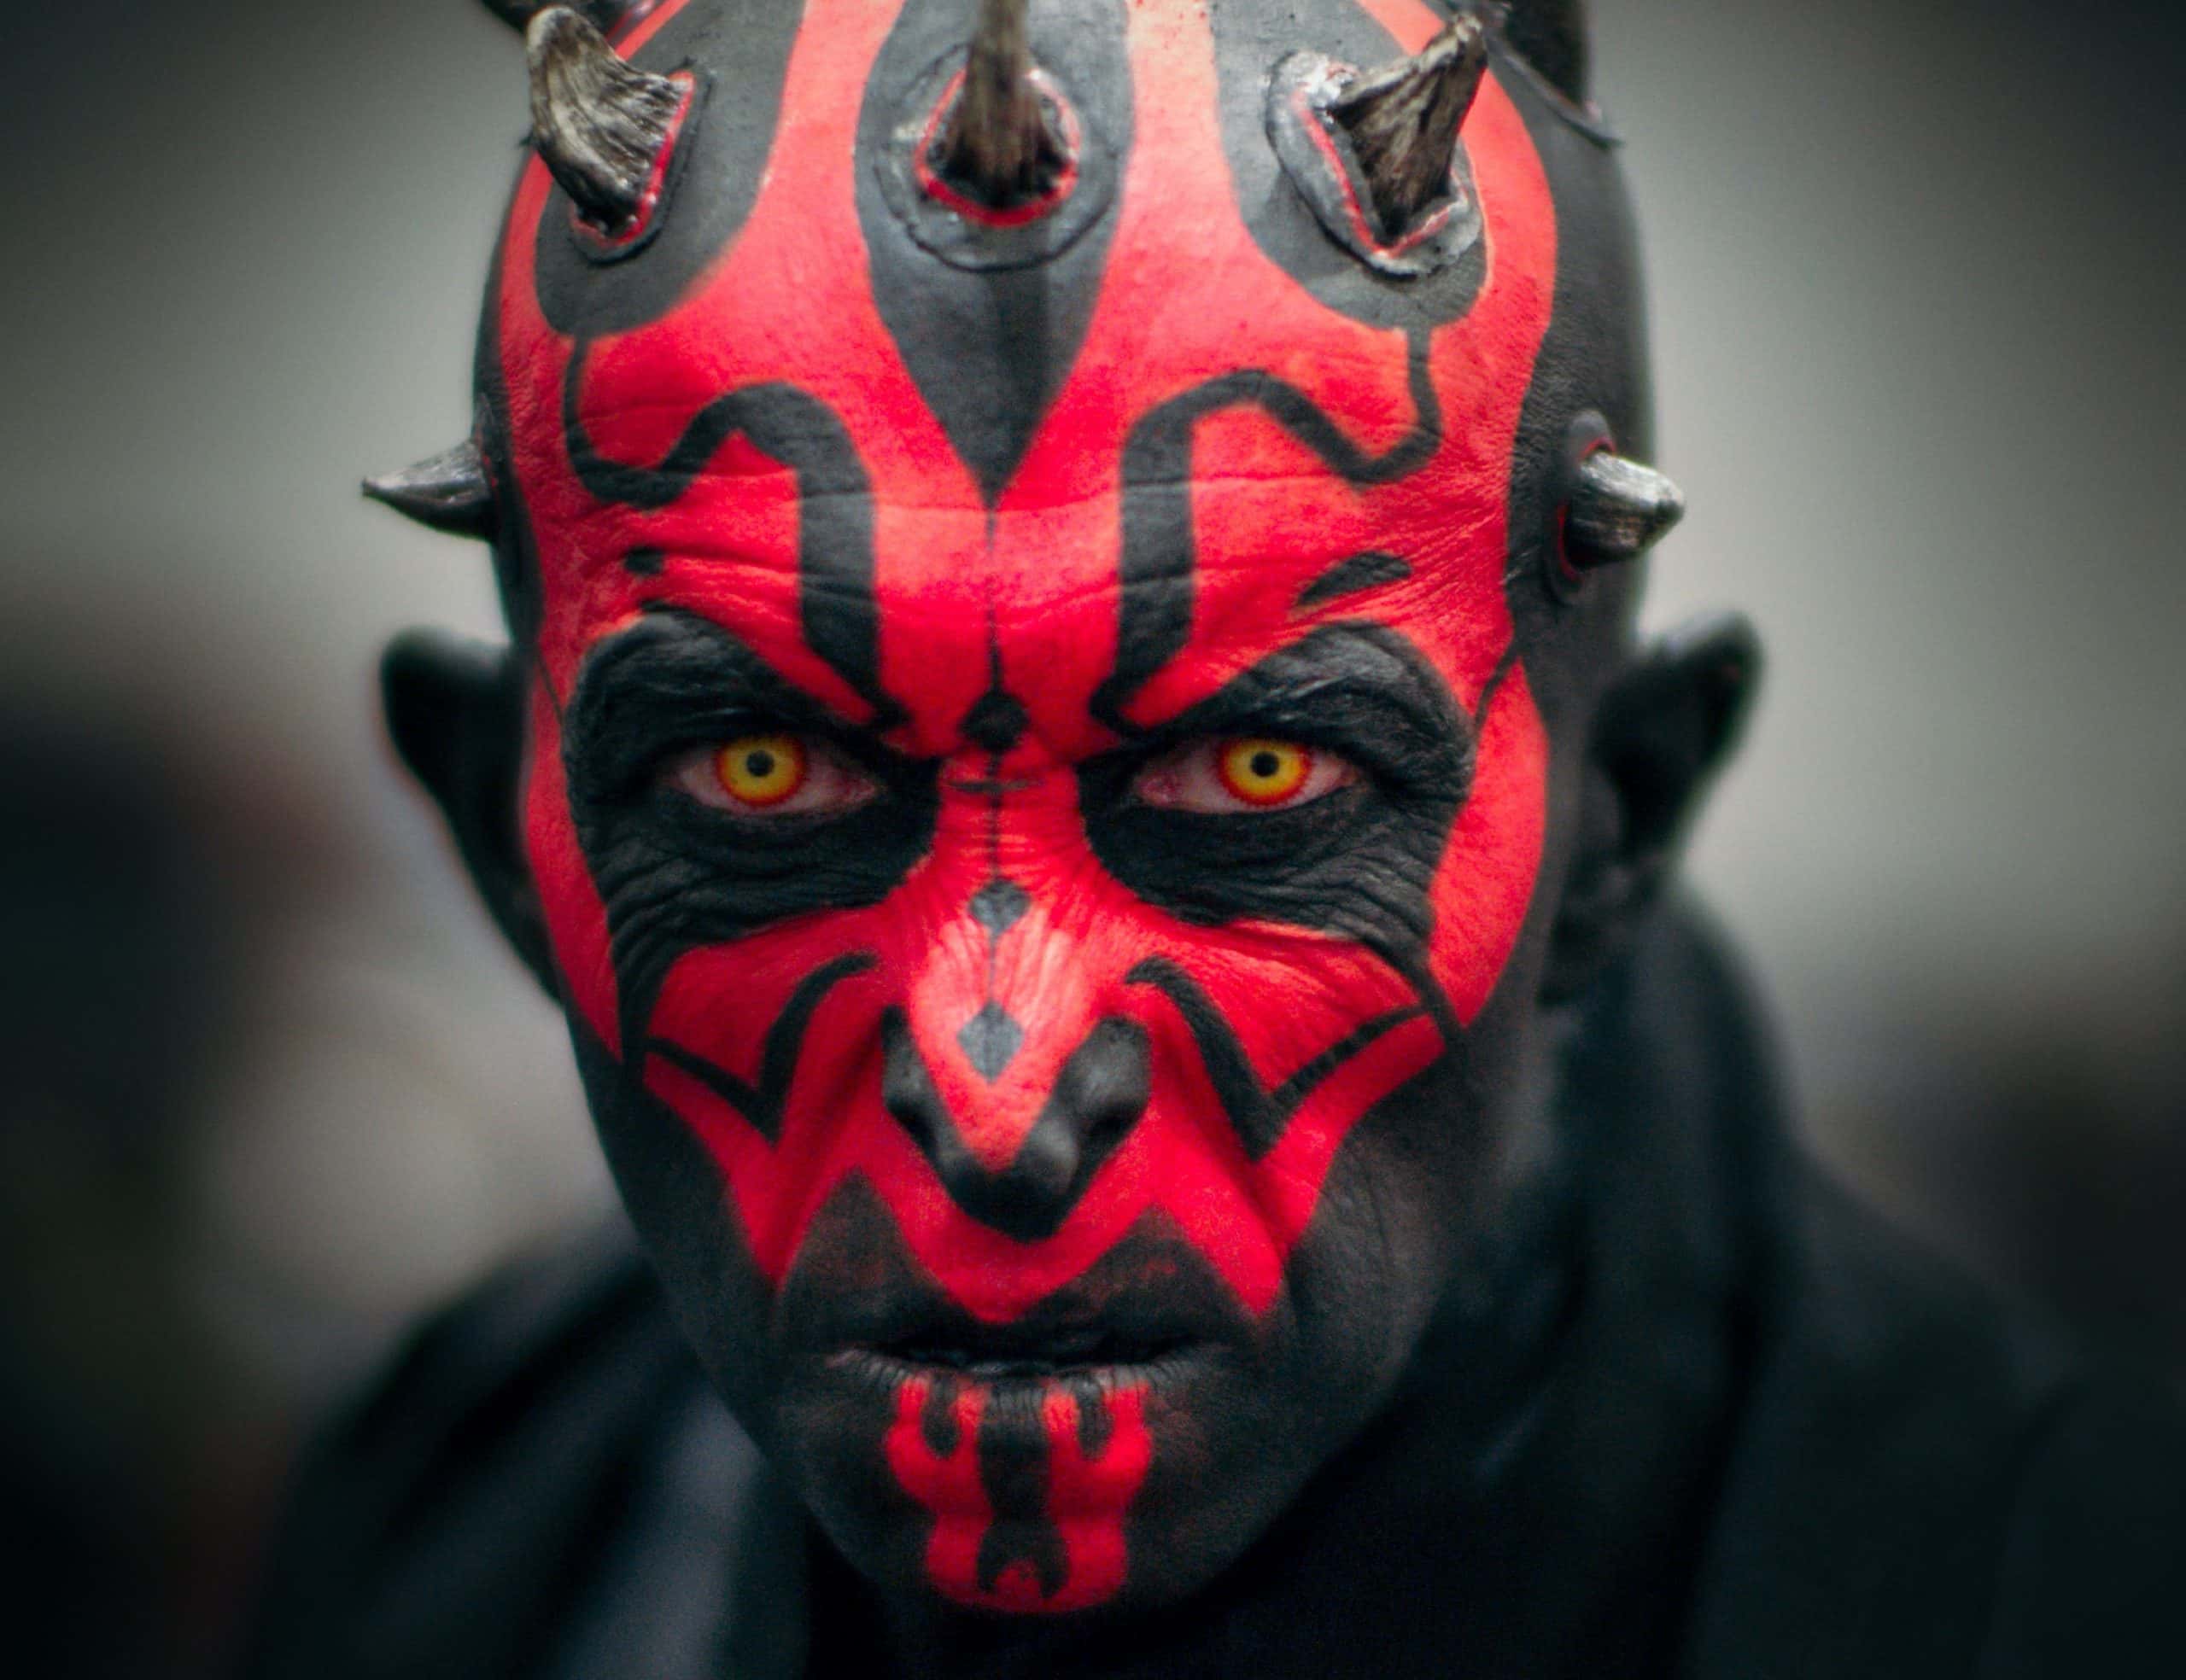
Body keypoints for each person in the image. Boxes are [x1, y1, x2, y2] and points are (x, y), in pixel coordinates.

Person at [244, 2, 2186, 1674]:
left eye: (1255, 780)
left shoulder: (2062, 1602)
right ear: (511, 837)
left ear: (1619, 819)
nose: (994, 1098)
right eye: (766, 777)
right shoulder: (449, 1543)